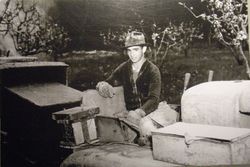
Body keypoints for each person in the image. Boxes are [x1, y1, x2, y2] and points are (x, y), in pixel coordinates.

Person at [96, 31, 174, 145]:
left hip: (152, 111)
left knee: (148, 133)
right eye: (129, 50)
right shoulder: (124, 67)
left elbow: (154, 98)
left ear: (144, 49)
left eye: (136, 49)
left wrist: (139, 112)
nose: (132, 54)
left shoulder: (152, 70)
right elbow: (108, 81)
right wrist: (102, 85)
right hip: (130, 114)